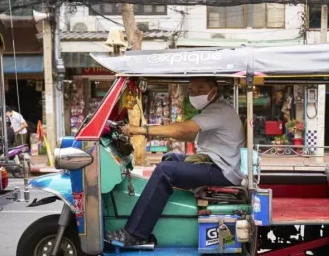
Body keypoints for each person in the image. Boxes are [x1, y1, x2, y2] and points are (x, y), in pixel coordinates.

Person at [105, 78, 245, 246]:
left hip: (222, 172)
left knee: (165, 170)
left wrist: (141, 130)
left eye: (200, 89)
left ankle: (135, 234)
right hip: (213, 164)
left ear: (214, 90)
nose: (195, 94)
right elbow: (187, 134)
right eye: (192, 91)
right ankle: (163, 214)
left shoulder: (219, 110)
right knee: (170, 158)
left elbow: (184, 129)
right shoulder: (213, 109)